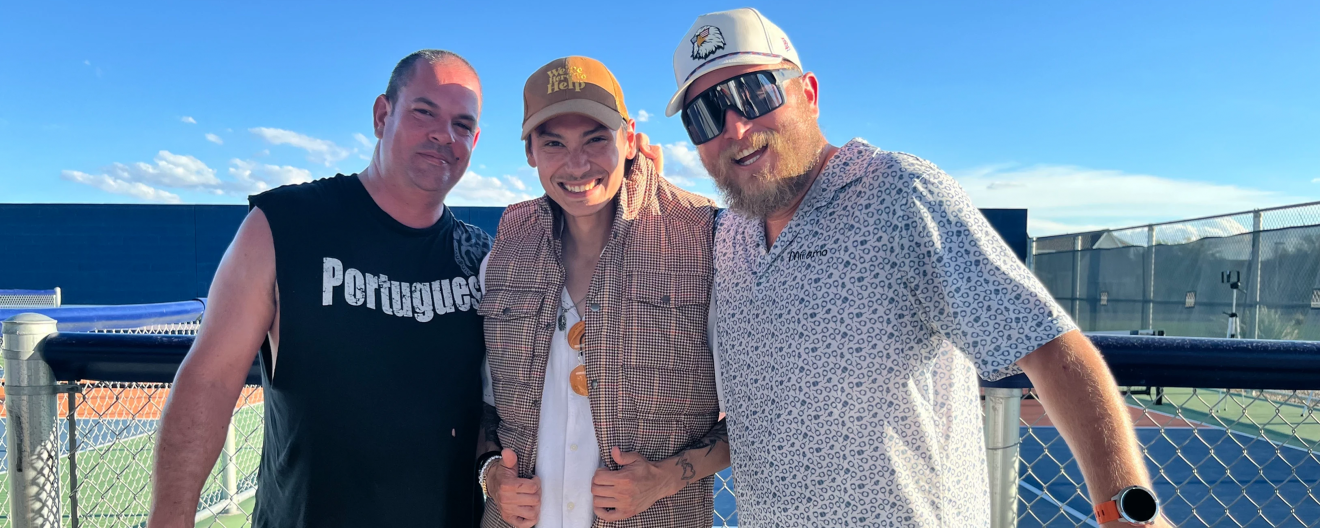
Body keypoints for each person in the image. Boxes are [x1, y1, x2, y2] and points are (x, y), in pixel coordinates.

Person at [667, 8, 1172, 527]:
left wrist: (1129, 517)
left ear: (809, 93)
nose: (736, 126)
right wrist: (623, 161)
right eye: (705, 115)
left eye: (755, 93)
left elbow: (1051, 348)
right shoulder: (729, 238)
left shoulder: (900, 193)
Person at [148, 50, 494, 528]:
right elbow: (209, 380)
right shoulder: (284, 224)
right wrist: (170, 519)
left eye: (462, 124)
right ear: (382, 114)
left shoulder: (483, 259)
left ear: (474, 141)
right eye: (424, 111)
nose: (443, 134)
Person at [476, 56, 729, 528]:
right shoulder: (504, 254)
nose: (577, 164)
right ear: (530, 152)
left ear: (630, 138)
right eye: (553, 143)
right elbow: (484, 405)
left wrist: (666, 477)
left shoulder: (703, 244)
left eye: (596, 139)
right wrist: (491, 475)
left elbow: (756, 414)